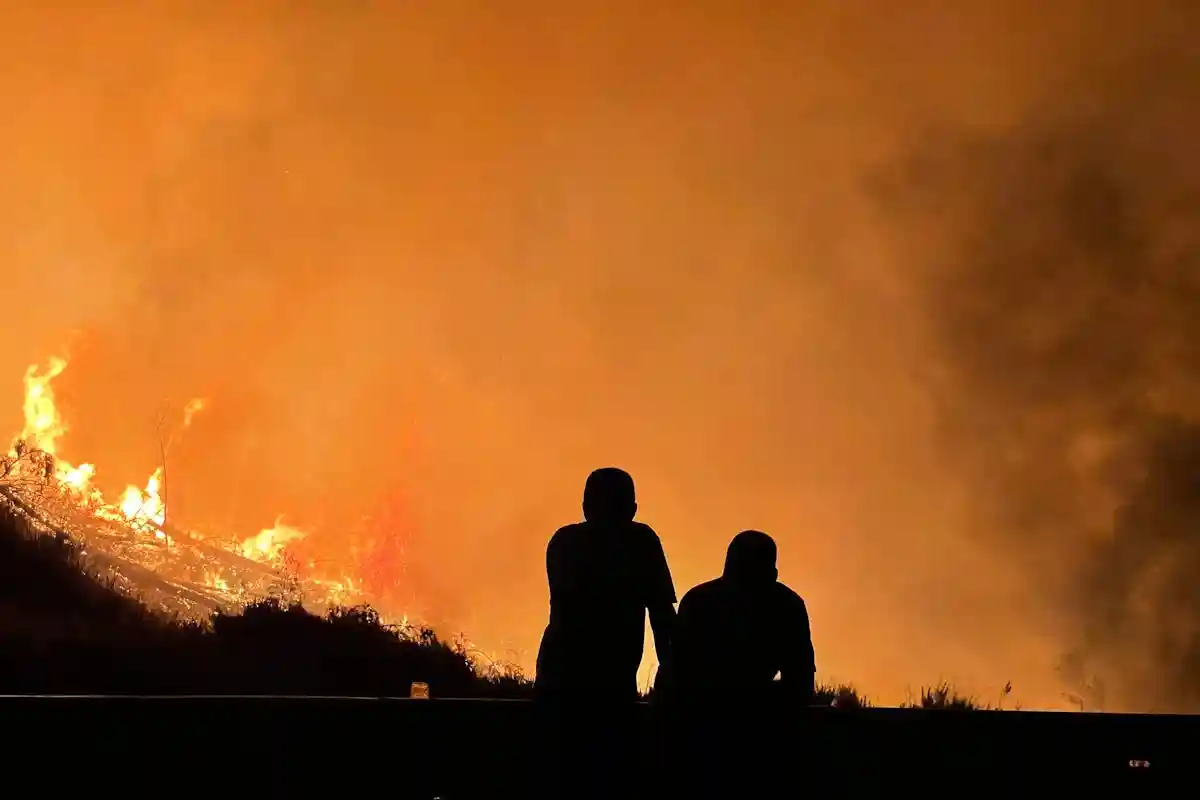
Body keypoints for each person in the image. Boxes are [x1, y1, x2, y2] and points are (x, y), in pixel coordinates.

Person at [534, 467, 677, 798]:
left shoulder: (565, 542)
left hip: (563, 678)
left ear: (585, 506)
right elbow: (662, 616)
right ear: (632, 508)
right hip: (602, 681)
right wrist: (672, 675)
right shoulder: (640, 542)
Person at [664, 530, 816, 794]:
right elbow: (800, 683)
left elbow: (671, 678)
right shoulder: (786, 605)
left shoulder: (700, 601)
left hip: (721, 730)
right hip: (718, 729)